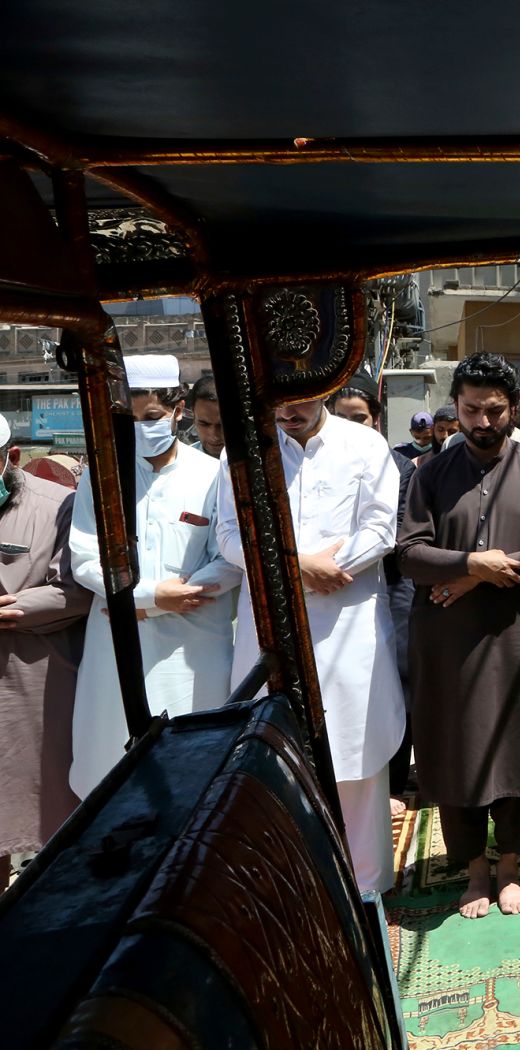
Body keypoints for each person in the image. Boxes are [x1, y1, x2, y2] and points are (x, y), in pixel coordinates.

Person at [397, 354, 520, 918]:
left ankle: (512, 868)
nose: (481, 421)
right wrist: (471, 563)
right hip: (449, 643)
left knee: (519, 746)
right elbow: (410, 554)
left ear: (515, 408)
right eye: (470, 409)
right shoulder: (430, 474)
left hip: (517, 637)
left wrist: (483, 571)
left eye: (494, 410)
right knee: (455, 750)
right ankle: (474, 871)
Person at [217, 391, 404, 895]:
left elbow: (382, 528)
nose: (287, 413)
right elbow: (231, 536)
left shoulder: (364, 445)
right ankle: (289, 884)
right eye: (277, 403)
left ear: (325, 392)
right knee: (275, 754)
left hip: (349, 621)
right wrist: (299, 565)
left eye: (300, 402)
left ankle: (368, 890)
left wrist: (335, 567)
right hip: (271, 624)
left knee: (356, 752)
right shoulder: (243, 450)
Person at [69, 355, 242, 797]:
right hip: (120, 641)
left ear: (177, 410)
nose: (143, 426)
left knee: (195, 769)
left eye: (153, 417)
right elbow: (86, 557)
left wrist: (177, 595)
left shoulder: (211, 474)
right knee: (113, 767)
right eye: (132, 417)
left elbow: (229, 555)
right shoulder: (101, 475)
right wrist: (147, 597)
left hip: (193, 642)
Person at [0, 415, 91, 885]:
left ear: (10, 458)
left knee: (44, 814)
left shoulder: (60, 505)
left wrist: (14, 608)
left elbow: (76, 590)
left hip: (33, 679)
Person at [331, 385, 418, 807]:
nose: (351, 427)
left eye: (359, 418)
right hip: (333, 589)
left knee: (397, 678)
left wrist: (339, 561)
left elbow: (399, 531)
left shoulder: (399, 467)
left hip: (392, 584)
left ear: (376, 421)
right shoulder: (323, 464)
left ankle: (394, 782)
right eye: (342, 418)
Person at [187, 375, 225, 458]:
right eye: (204, 424)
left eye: (222, 425)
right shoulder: (183, 462)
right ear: (193, 416)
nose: (214, 436)